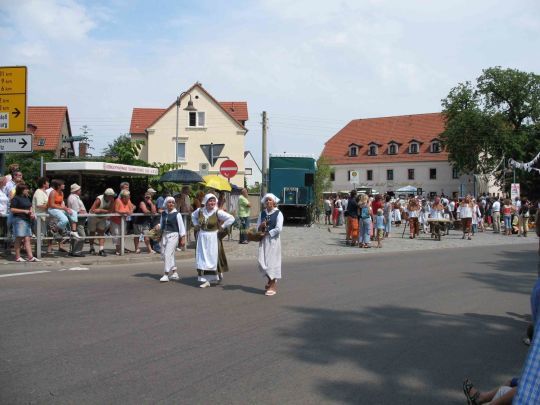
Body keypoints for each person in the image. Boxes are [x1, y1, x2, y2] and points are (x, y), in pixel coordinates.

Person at [191, 193, 235, 288]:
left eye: (213, 201)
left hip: (213, 237)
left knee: (213, 257)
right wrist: (195, 224)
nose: (212, 203)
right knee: (203, 257)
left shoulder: (217, 212)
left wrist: (222, 227)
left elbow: (231, 218)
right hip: (202, 236)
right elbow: (192, 216)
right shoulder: (200, 211)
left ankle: (214, 275)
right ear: (206, 202)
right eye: (210, 201)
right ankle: (206, 279)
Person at [257, 193, 284, 296]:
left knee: (271, 263)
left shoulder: (278, 213)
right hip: (263, 240)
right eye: (266, 200)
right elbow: (257, 228)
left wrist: (269, 233)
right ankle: (270, 280)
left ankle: (273, 286)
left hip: (273, 241)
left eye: (270, 200)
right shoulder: (262, 213)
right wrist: (261, 226)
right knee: (262, 262)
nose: (268, 202)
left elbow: (279, 229)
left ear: (274, 202)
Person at [157, 196, 186, 282]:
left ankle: (166, 274)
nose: (171, 204)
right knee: (165, 254)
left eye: (173, 202)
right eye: (169, 202)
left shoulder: (177, 214)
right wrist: (158, 227)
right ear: (166, 203)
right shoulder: (163, 213)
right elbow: (162, 224)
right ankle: (174, 273)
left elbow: (181, 227)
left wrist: (183, 238)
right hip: (164, 235)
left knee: (167, 254)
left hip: (174, 235)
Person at [11, 184, 40, 262]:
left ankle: (30, 257)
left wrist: (31, 212)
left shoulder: (26, 197)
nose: (27, 190)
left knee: (27, 238)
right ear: (21, 190)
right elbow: (12, 209)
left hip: (27, 220)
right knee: (19, 238)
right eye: (26, 189)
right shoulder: (16, 198)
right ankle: (17, 257)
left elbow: (30, 206)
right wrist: (24, 211)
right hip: (19, 219)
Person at [88, 188, 116, 256]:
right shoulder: (99, 200)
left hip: (102, 217)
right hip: (93, 217)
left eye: (112, 196)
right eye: (111, 196)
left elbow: (111, 210)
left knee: (101, 232)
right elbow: (92, 210)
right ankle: (91, 248)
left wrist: (101, 210)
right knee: (92, 232)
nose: (112, 197)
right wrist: (105, 211)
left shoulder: (112, 200)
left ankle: (101, 249)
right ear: (106, 195)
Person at [111, 189, 134, 255]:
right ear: (124, 197)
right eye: (128, 196)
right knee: (116, 234)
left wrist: (130, 211)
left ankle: (121, 249)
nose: (129, 197)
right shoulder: (118, 200)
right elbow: (116, 210)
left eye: (129, 196)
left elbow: (131, 208)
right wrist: (126, 212)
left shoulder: (128, 200)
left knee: (123, 234)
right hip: (115, 220)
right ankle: (117, 250)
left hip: (123, 220)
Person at [67, 183, 87, 257]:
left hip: (78, 219)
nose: (80, 190)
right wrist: (83, 212)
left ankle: (73, 251)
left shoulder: (74, 197)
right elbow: (76, 210)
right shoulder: (74, 198)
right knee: (81, 235)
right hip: (77, 220)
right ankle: (77, 252)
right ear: (76, 190)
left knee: (75, 236)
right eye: (79, 189)